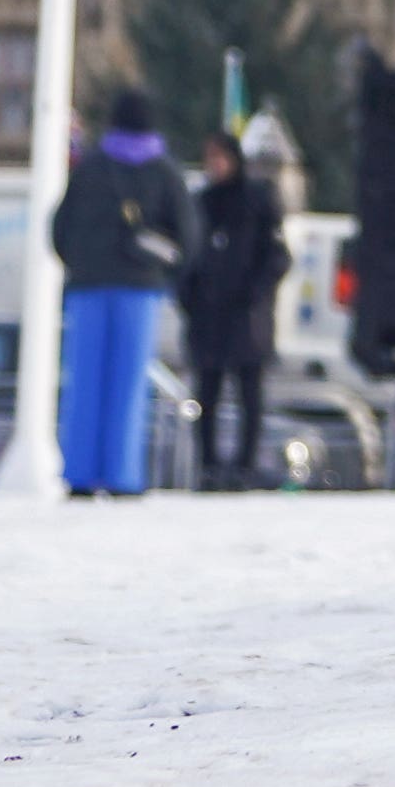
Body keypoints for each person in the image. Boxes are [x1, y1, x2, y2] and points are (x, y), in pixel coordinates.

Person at [46, 87, 189, 497]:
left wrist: (81, 264)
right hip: (139, 288)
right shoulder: (164, 171)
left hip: (89, 287)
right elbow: (187, 236)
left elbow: (60, 228)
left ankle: (80, 474)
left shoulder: (91, 167)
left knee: (84, 382)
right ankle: (123, 474)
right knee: (128, 385)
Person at [175, 128, 281, 487]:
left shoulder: (257, 200)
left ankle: (245, 465)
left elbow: (276, 255)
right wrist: (188, 296)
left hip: (245, 316)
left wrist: (256, 292)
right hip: (208, 317)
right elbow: (186, 255)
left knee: (249, 391)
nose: (215, 166)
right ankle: (208, 464)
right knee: (207, 392)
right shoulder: (200, 202)